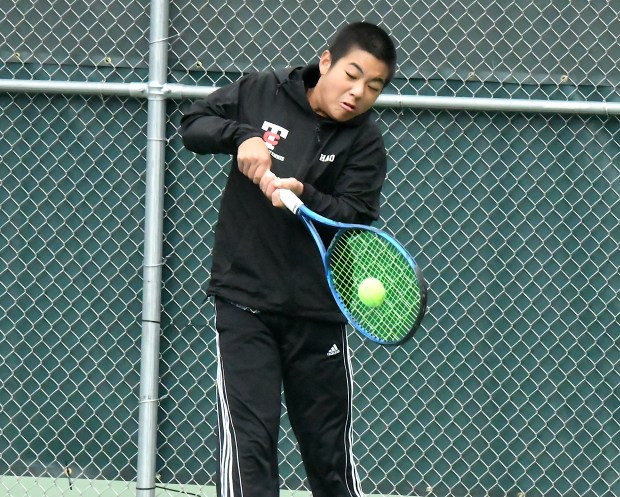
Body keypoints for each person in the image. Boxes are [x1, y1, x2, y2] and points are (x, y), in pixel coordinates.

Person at [180, 21, 397, 497]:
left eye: (374, 86)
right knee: (249, 448)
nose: (358, 93)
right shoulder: (261, 92)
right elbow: (192, 125)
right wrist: (241, 136)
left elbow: (356, 216)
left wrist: (306, 197)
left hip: (318, 314)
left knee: (329, 459)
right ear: (326, 63)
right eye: (352, 75)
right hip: (245, 303)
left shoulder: (365, 142)